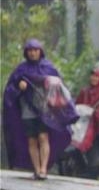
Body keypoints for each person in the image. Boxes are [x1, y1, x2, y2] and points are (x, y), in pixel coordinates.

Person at [3, 38, 78, 179]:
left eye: (35, 50)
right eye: (30, 50)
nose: (32, 53)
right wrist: (20, 86)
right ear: (26, 52)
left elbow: (59, 88)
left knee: (43, 137)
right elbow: (11, 89)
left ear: (40, 51)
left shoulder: (48, 67)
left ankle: (43, 169)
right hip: (27, 110)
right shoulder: (21, 69)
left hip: (44, 110)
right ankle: (37, 170)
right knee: (32, 139)